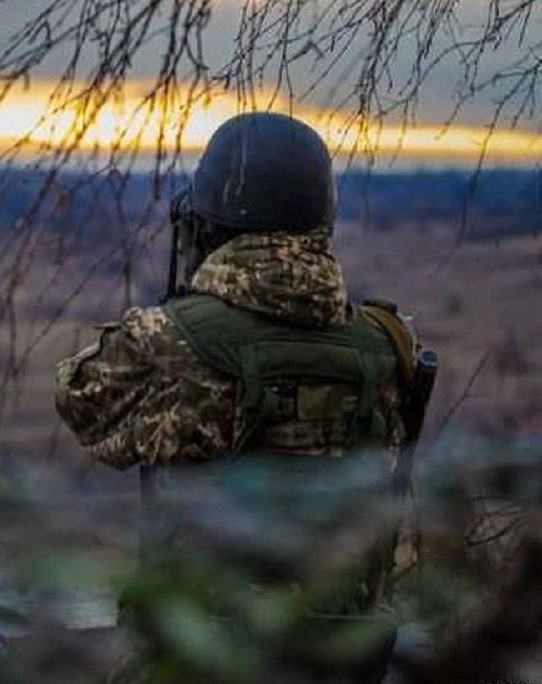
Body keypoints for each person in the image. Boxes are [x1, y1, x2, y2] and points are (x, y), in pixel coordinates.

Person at [53, 112, 425, 683]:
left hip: (202, 657)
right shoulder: (389, 346)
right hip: (343, 656)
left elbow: (80, 399)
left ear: (209, 223)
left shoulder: (168, 343)